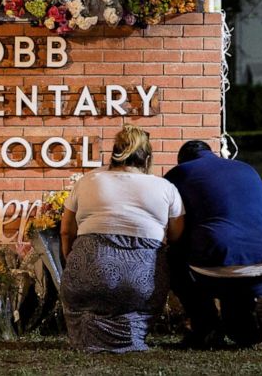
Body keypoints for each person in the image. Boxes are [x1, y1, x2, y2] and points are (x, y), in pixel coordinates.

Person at [59, 125, 185, 352]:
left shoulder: (88, 180)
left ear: (114, 153)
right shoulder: (166, 187)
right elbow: (176, 235)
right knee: (137, 302)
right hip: (140, 281)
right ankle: (131, 338)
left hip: (87, 273)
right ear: (147, 158)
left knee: (86, 298)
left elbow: (66, 231)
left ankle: (85, 340)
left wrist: (71, 262)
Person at [164, 140, 262, 349]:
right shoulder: (247, 169)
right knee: (241, 334)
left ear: (183, 160)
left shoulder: (180, 173)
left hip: (218, 266)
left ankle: (206, 328)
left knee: (172, 254)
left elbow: (173, 225)